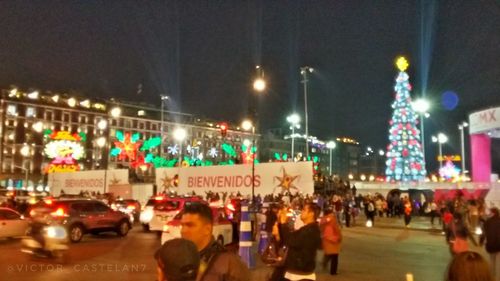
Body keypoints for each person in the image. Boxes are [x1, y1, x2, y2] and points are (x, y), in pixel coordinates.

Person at [180, 203, 250, 281]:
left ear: (207, 229)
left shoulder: (229, 264)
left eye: (190, 225)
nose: (183, 231)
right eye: (182, 225)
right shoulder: (178, 258)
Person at [277, 202, 322, 281]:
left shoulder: (310, 231)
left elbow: (291, 240)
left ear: (311, 214)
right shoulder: (307, 229)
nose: (302, 212)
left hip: (300, 274)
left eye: (304, 210)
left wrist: (283, 223)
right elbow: (288, 238)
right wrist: (281, 224)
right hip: (296, 272)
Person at [320, 208, 342, 275]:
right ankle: (333, 271)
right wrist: (339, 237)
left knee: (328, 253)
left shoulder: (323, 220)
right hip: (333, 239)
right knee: (335, 257)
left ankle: (325, 262)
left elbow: (321, 229)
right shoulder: (332, 219)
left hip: (326, 239)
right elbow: (336, 229)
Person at [480, 207, 500, 280]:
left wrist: (481, 242)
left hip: (490, 245)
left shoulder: (487, 222)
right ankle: (497, 278)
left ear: (493, 213)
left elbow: (483, 233)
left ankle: (491, 277)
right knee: (498, 263)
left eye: (490, 213)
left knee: (491, 261)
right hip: (499, 245)